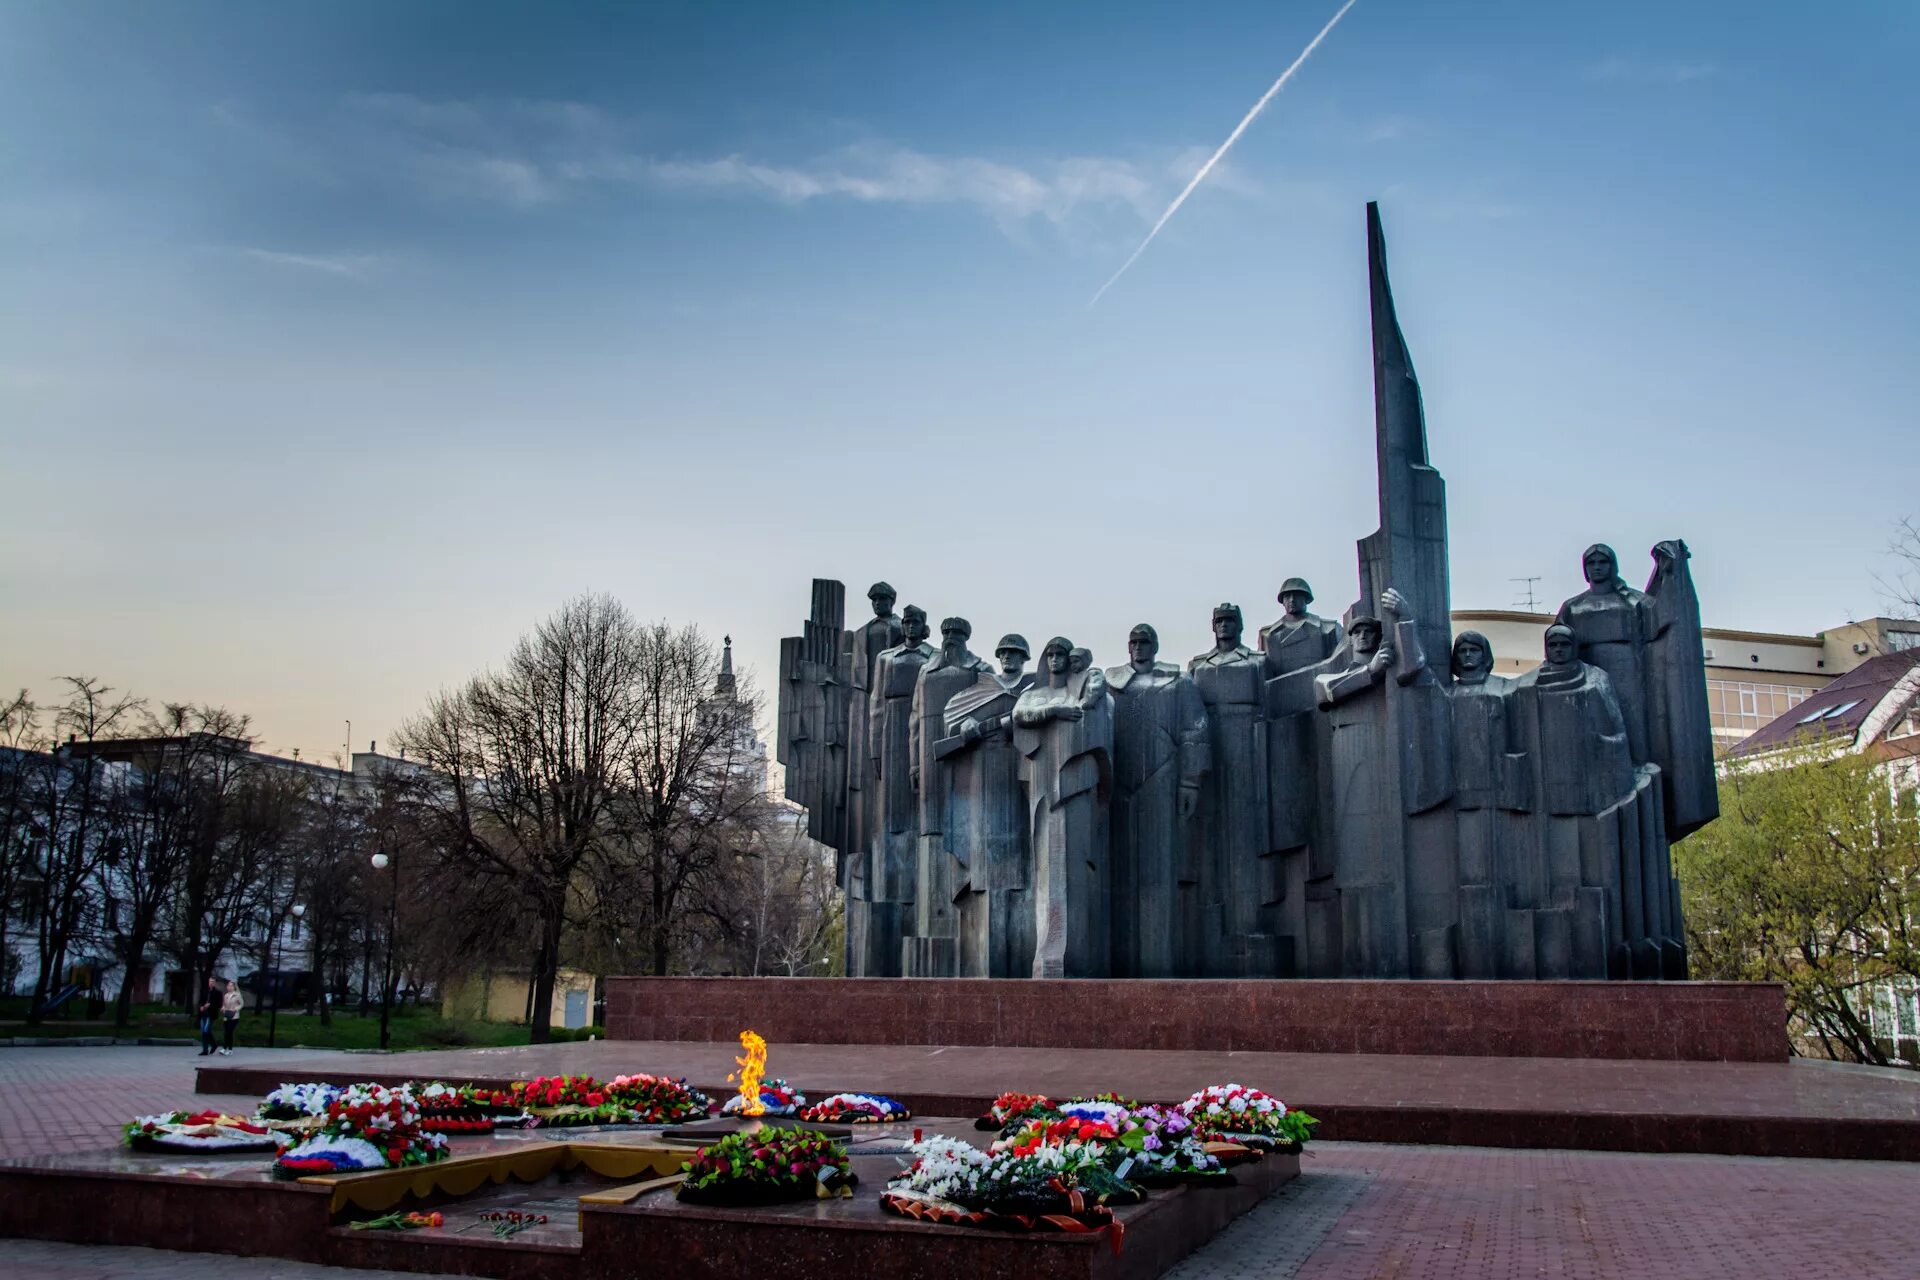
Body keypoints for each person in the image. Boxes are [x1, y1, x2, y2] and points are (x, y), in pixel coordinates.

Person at [197, 977, 219, 1056]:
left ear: (215, 983)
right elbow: (200, 1001)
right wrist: (201, 1006)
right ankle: (211, 1046)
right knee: (204, 1032)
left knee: (206, 1031)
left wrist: (210, 1005)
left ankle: (207, 1049)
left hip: (211, 1014)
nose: (211, 983)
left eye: (213, 981)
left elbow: (219, 1004)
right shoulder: (204, 991)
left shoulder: (217, 993)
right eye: (210, 981)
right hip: (203, 1014)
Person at [220, 980, 243, 1055]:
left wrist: (236, 1009)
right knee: (226, 1032)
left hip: (234, 1016)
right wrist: (223, 1008)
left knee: (230, 1032)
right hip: (227, 1015)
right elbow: (224, 1004)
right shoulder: (226, 995)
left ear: (234, 987)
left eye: (231, 986)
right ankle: (224, 1048)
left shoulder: (237, 995)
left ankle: (230, 1049)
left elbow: (241, 1004)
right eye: (228, 986)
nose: (229, 987)